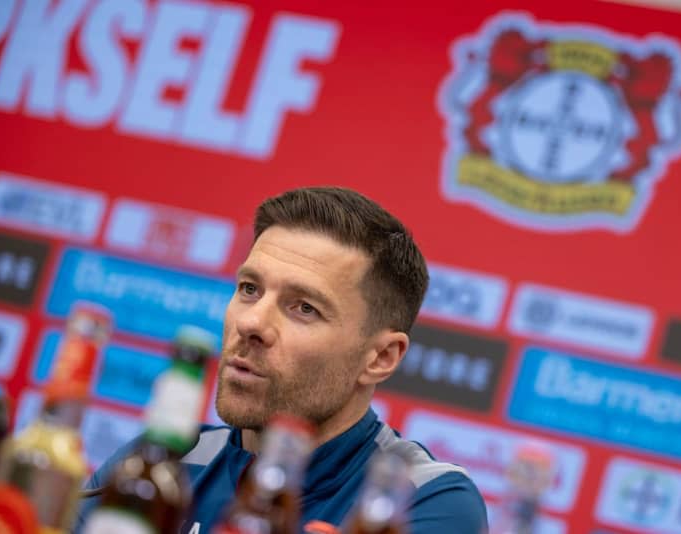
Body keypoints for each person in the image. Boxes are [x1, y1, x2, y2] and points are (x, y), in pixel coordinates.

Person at [74, 186, 488, 533]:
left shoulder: (422, 499)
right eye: (250, 289)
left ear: (379, 357)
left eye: (304, 308)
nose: (252, 322)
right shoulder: (161, 465)